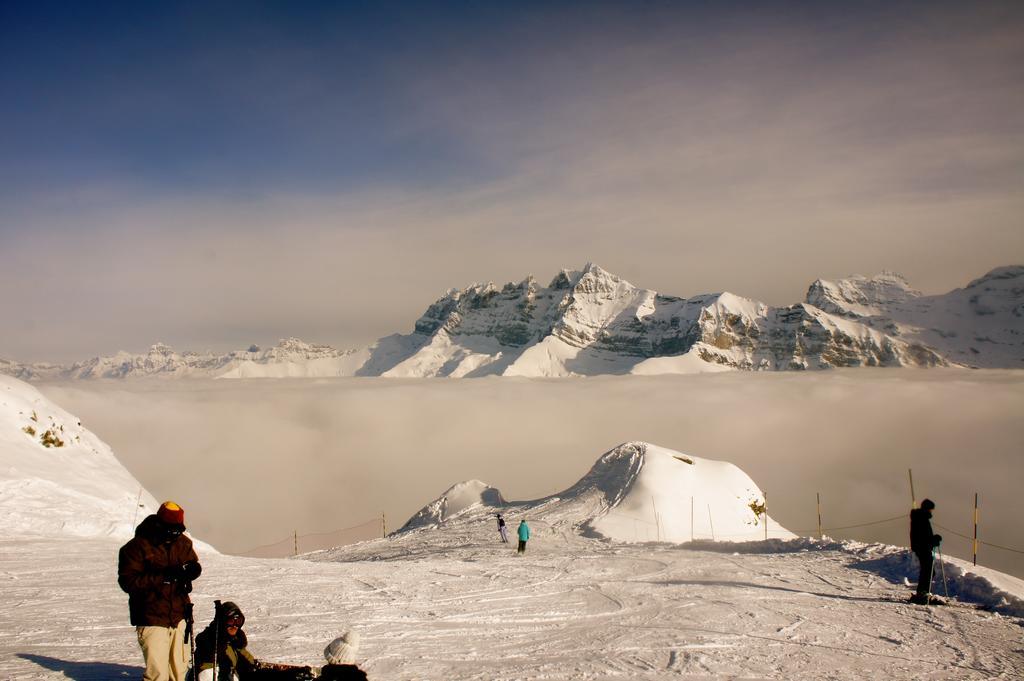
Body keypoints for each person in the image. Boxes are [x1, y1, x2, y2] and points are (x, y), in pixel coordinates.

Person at [118, 501, 202, 681]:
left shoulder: (183, 543)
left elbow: (191, 563)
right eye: (171, 529)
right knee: (158, 675)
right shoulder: (136, 547)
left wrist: (194, 570)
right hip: (151, 616)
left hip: (179, 615)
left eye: (178, 530)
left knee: (179, 673)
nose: (175, 534)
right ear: (159, 524)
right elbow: (128, 582)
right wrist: (163, 576)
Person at [193, 601, 313, 681]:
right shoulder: (210, 640)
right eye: (230, 621)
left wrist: (290, 674)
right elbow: (211, 652)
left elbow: (251, 671)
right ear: (222, 621)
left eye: (238, 621)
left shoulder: (234, 643)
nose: (235, 626)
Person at [909, 498, 942, 605]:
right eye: (931, 509)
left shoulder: (919, 517)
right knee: (928, 571)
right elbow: (923, 537)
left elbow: (923, 536)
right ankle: (923, 594)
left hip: (921, 547)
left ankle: (922, 593)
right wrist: (934, 540)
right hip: (923, 548)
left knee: (927, 570)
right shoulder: (922, 519)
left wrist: (933, 539)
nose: (931, 511)